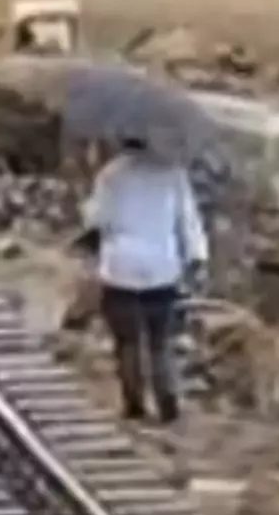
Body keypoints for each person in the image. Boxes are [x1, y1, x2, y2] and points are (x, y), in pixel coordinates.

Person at [80, 128, 209, 426]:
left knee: (127, 343)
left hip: (121, 269)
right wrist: (197, 259)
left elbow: (97, 219)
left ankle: (135, 405)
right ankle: (168, 405)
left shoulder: (111, 175)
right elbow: (187, 220)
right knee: (160, 342)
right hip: (162, 269)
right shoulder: (171, 172)